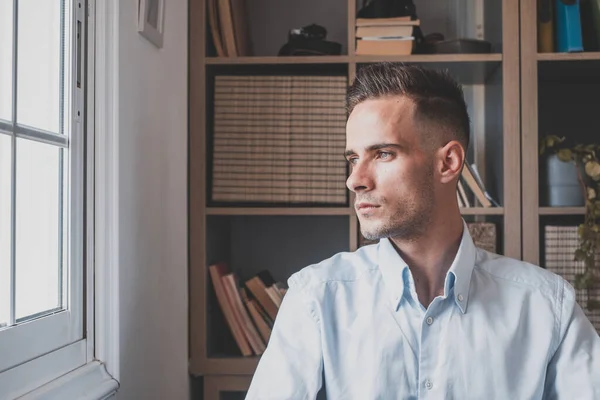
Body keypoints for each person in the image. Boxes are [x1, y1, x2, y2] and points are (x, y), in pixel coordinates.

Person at [245, 62, 600, 399]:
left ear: (448, 162)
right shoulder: (316, 299)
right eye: (353, 158)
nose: (355, 180)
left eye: (382, 154)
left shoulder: (546, 306)